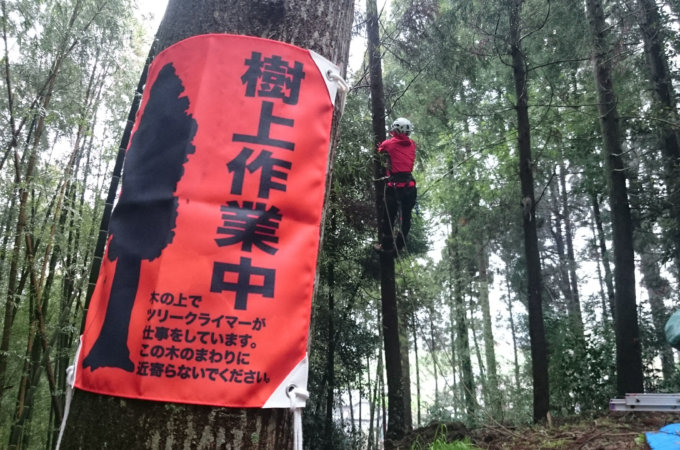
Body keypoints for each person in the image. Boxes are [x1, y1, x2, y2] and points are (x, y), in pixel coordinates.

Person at [375, 117, 417, 253]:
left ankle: (386, 246)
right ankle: (398, 247)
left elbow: (379, 151)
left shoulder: (389, 144)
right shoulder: (412, 144)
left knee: (388, 218)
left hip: (394, 187)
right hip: (409, 187)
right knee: (406, 218)